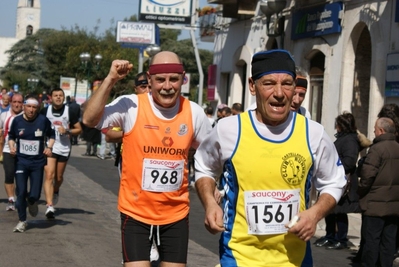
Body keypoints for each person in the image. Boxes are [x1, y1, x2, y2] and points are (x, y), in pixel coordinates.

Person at [193, 49, 347, 266]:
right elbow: (204, 167)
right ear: (252, 86)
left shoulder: (313, 133)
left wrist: (314, 214)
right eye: (269, 83)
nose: (279, 93)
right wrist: (210, 203)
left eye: (287, 83)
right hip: (239, 255)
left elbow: (335, 181)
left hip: (294, 258)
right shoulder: (228, 130)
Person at [82, 51, 212, 266]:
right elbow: (89, 118)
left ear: (183, 79)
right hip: (136, 214)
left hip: (176, 215)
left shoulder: (194, 113)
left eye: (174, 79)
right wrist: (110, 79)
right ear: (150, 81)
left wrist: (212, 195)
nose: (167, 86)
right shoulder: (130, 105)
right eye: (160, 79)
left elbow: (210, 158)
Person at [314, 112, 370, 249]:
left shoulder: (350, 140)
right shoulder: (343, 138)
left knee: (340, 212)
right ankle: (330, 236)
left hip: (344, 181)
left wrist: (335, 169)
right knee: (331, 210)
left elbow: (350, 162)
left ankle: (341, 239)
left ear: (341, 126)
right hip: (336, 179)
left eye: (337, 124)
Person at [8, 95, 55, 232]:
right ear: (24, 106)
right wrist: (12, 146)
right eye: (28, 106)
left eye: (34, 107)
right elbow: (11, 136)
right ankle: (22, 220)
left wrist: (49, 147)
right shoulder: (17, 121)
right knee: (21, 192)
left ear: (38, 108)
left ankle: (32, 201)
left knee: (34, 195)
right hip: (21, 161)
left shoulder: (43, 120)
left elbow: (52, 135)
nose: (31, 110)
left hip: (37, 163)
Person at [357, 117, 399, 267]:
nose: (373, 131)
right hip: (394, 206)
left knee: (371, 242)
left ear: (381, 131)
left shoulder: (377, 149)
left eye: (375, 128)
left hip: (375, 205)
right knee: (389, 242)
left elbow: (367, 176)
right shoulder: (397, 147)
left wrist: (360, 190)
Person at [40, 88, 82, 219]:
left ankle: (56, 189)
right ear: (50, 98)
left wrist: (68, 131)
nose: (58, 98)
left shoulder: (69, 111)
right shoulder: (44, 111)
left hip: (64, 147)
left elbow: (79, 129)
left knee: (58, 178)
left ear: (64, 98)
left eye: (60, 96)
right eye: (55, 95)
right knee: (49, 175)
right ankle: (49, 205)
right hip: (50, 147)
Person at [0, 93, 24, 210]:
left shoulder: (27, 116)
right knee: (9, 175)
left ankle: (21, 198)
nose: (16, 104)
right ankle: (10, 199)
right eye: (14, 102)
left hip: (24, 152)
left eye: (19, 102)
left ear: (22, 104)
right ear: (10, 103)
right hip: (7, 150)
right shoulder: (4, 116)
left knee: (20, 177)